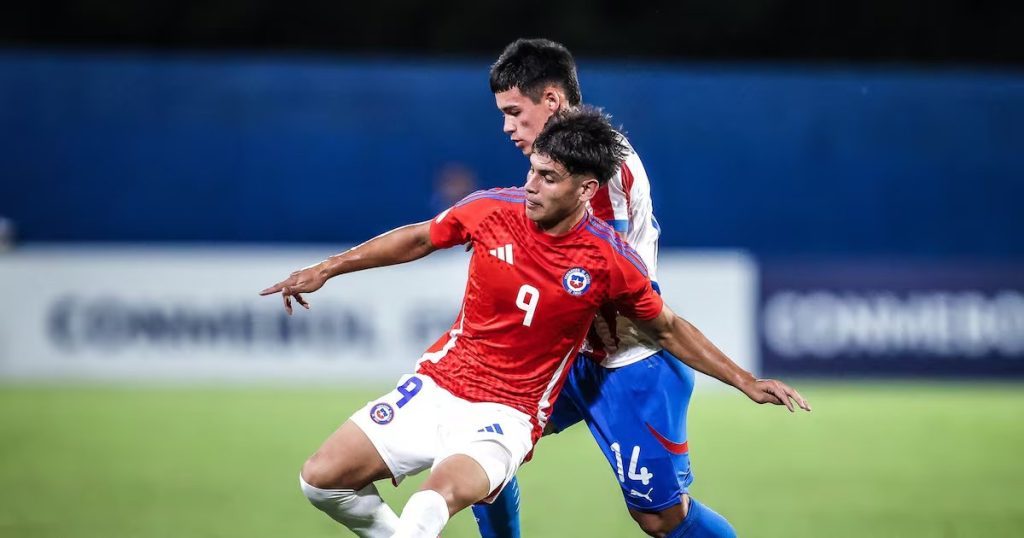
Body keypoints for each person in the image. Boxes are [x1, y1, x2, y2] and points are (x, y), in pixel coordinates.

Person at [260, 107, 809, 538]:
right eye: (532, 170)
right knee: (320, 481)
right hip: (437, 386)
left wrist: (746, 381)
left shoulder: (608, 259)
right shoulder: (491, 209)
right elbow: (421, 236)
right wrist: (327, 268)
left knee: (431, 503)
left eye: (548, 177)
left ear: (586, 190)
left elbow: (667, 328)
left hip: (505, 414)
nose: (531, 184)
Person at [474, 38, 784, 538]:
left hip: (628, 364)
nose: (507, 127)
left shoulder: (605, 168)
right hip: (570, 354)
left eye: (515, 112)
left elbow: (596, 276)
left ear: (551, 101)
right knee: (480, 451)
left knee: (659, 517)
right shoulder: (553, 159)